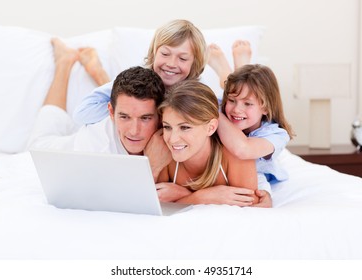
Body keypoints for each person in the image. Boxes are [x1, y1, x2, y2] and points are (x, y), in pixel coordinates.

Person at [27, 38, 170, 181]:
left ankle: (97, 71)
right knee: (51, 118)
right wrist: (153, 167)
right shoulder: (97, 148)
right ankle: (64, 62)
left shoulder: (171, 134)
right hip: (53, 149)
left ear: (160, 116)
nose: (134, 131)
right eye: (124, 117)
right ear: (111, 113)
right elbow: (122, 198)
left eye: (145, 118)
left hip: (86, 133)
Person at [72, 19, 207, 125]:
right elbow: (82, 113)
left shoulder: (196, 93)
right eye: (165, 54)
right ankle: (97, 72)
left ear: (194, 64)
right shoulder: (137, 79)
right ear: (154, 53)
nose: (171, 64)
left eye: (182, 58)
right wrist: (134, 112)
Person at [156, 80, 259, 206]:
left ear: (211, 127)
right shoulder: (163, 153)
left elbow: (252, 208)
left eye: (185, 127)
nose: (172, 139)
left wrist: (186, 197)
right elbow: (157, 207)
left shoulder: (235, 155)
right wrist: (200, 197)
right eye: (167, 127)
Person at [218, 64, 295, 200]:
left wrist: (214, 113)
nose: (237, 109)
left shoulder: (276, 135)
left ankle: (227, 68)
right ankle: (231, 68)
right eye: (231, 101)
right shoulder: (221, 107)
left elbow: (243, 150)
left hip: (257, 172)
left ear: (265, 107)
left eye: (247, 104)